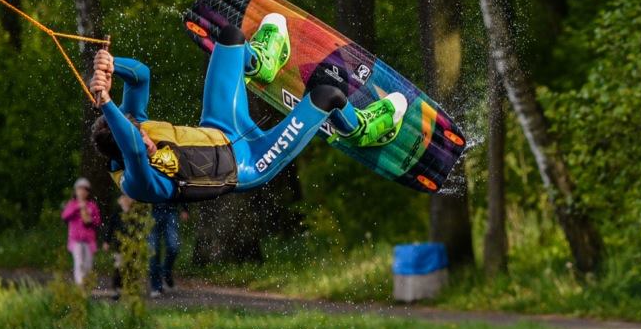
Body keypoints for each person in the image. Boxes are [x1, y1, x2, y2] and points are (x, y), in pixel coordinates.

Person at [87, 17, 406, 204]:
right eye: (141, 143)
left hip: (221, 125)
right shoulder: (135, 181)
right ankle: (360, 130)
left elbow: (142, 75)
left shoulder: (133, 126)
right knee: (328, 95)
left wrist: (113, 66)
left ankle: (262, 64)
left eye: (142, 134)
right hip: (252, 163)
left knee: (231, 38)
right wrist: (106, 101)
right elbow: (131, 146)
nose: (147, 141)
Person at [61, 178, 102, 287]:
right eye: (80, 189)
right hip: (76, 239)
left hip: (89, 240)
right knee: (79, 263)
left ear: (88, 192)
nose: (82, 192)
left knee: (88, 264)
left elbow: (98, 221)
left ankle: (87, 285)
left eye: (85, 190)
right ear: (75, 191)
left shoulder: (92, 205)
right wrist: (77, 208)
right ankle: (80, 286)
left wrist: (90, 220)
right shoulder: (72, 204)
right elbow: (65, 216)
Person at [102, 193, 139, 299]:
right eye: (124, 198)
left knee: (131, 267)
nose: (126, 200)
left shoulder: (134, 214)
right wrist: (106, 241)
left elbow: (138, 229)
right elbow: (110, 228)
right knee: (118, 267)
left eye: (128, 198)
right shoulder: (116, 214)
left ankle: (130, 288)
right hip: (119, 246)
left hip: (132, 246)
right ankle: (116, 289)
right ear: (119, 200)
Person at [148, 203, 184, 297]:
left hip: (171, 211)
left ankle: (165, 273)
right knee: (153, 250)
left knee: (174, 247)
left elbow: (179, 188)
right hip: (151, 212)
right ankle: (156, 286)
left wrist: (184, 208)